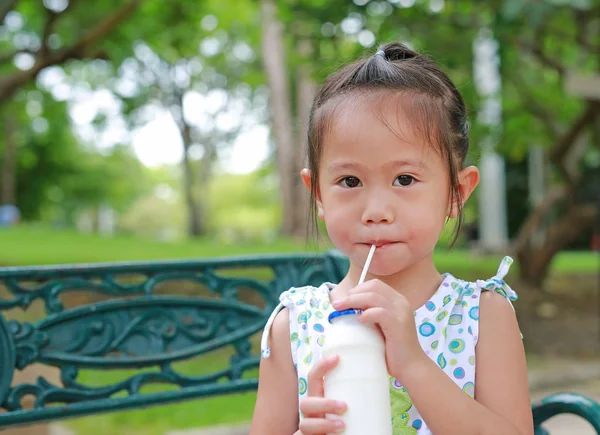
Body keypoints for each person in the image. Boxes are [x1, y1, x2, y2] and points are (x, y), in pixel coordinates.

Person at [250, 42, 533, 435]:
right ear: (317, 195)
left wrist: (413, 364)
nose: (376, 210)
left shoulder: (482, 316)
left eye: (405, 179)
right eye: (349, 181)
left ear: (456, 193)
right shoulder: (294, 326)